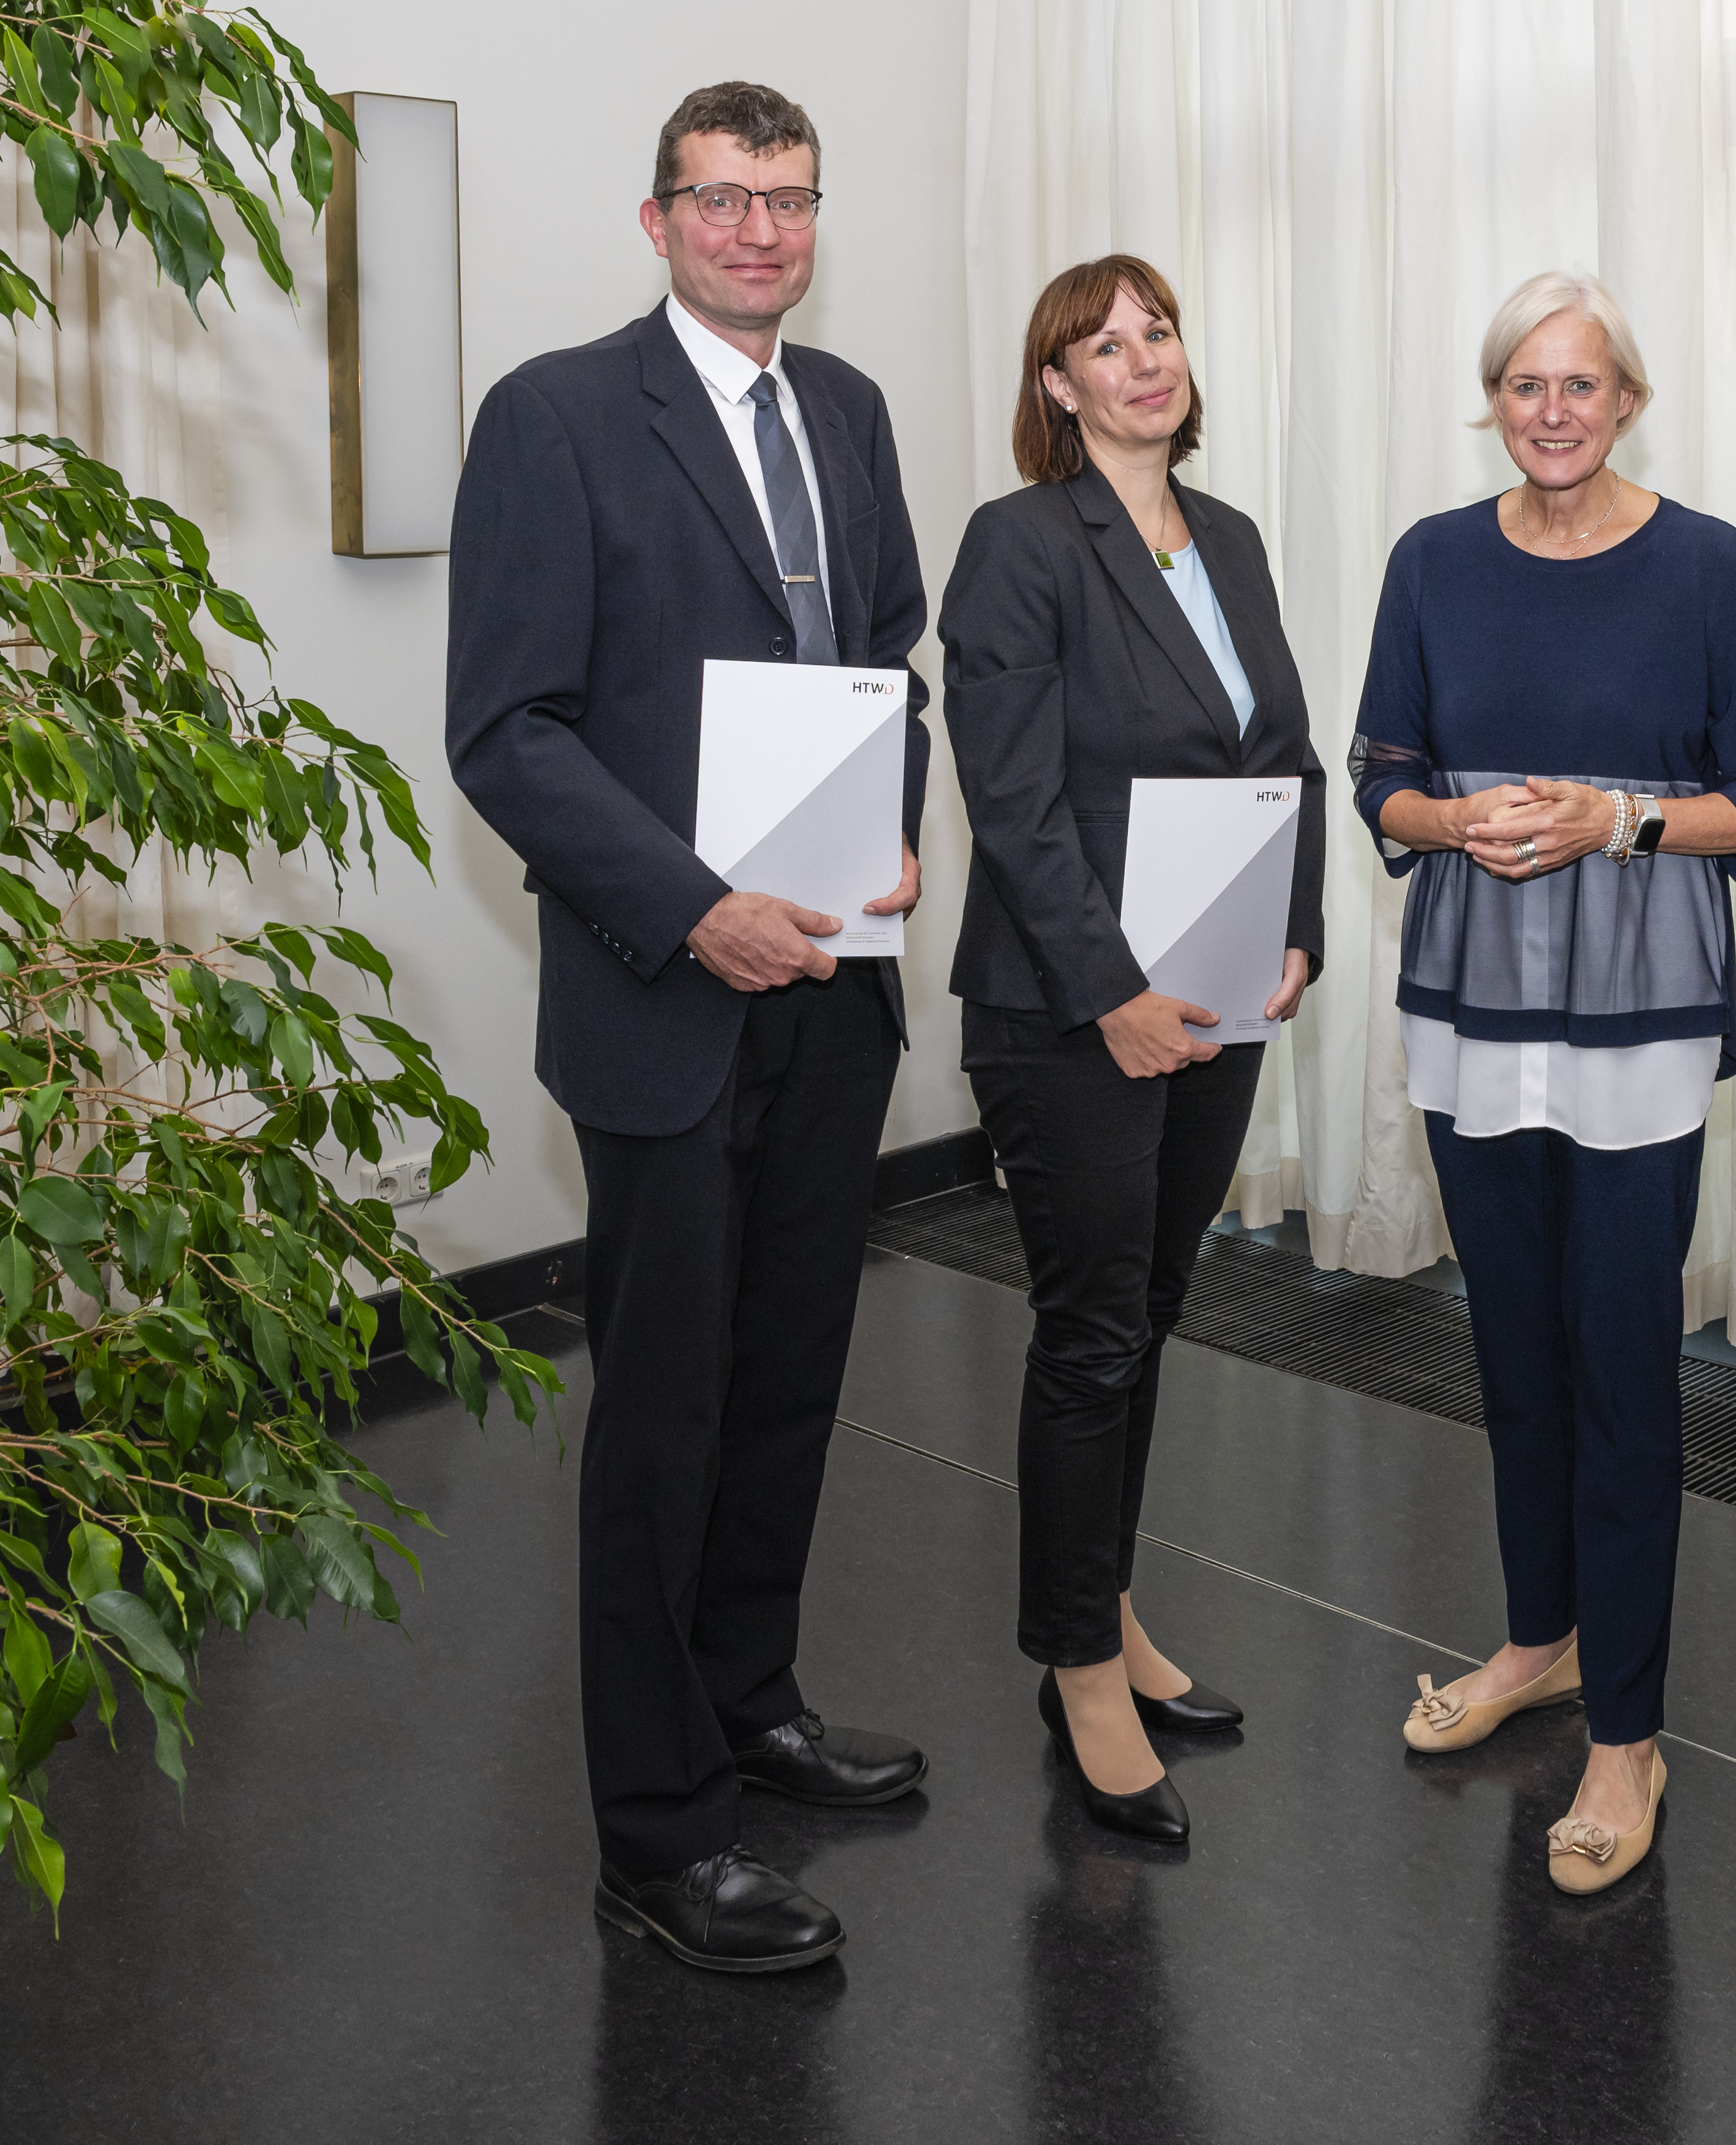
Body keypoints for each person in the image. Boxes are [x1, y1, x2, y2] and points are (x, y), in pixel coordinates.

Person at [446, 81, 931, 1974]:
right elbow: (508, 732)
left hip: (835, 988)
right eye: (723, 200)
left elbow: (890, 659)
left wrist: (894, 807)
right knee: (662, 1414)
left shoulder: (855, 415)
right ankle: (657, 1833)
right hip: (669, 995)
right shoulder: (556, 418)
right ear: (656, 219)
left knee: (792, 1379)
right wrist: (690, 905)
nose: (759, 231)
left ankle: (753, 1703)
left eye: (789, 199)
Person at [1354, 271, 1736, 1895]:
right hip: (1474, 1013)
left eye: (1584, 385)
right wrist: (1451, 824)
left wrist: (1619, 821)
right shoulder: (1432, 560)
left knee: (1619, 1370)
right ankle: (1537, 1638)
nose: (1555, 411)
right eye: (1526, 386)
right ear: (1496, 400)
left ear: (1628, 399)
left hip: (1638, 1020)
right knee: (1514, 1355)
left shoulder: (1704, 563)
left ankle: (1629, 1731)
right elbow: (1379, 772)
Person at [937, 255, 1324, 1848]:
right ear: (1057, 386)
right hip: (1070, 1014)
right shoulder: (1021, 547)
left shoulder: (1222, 538)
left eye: (1157, 329)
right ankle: (1079, 1665)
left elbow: (1279, 748)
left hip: (1220, 1002)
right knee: (1091, 1331)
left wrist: (1298, 929)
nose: (1141, 357)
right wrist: (1111, 988)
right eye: (1104, 342)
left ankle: (1111, 1606)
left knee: (1150, 1314)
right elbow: (1012, 801)